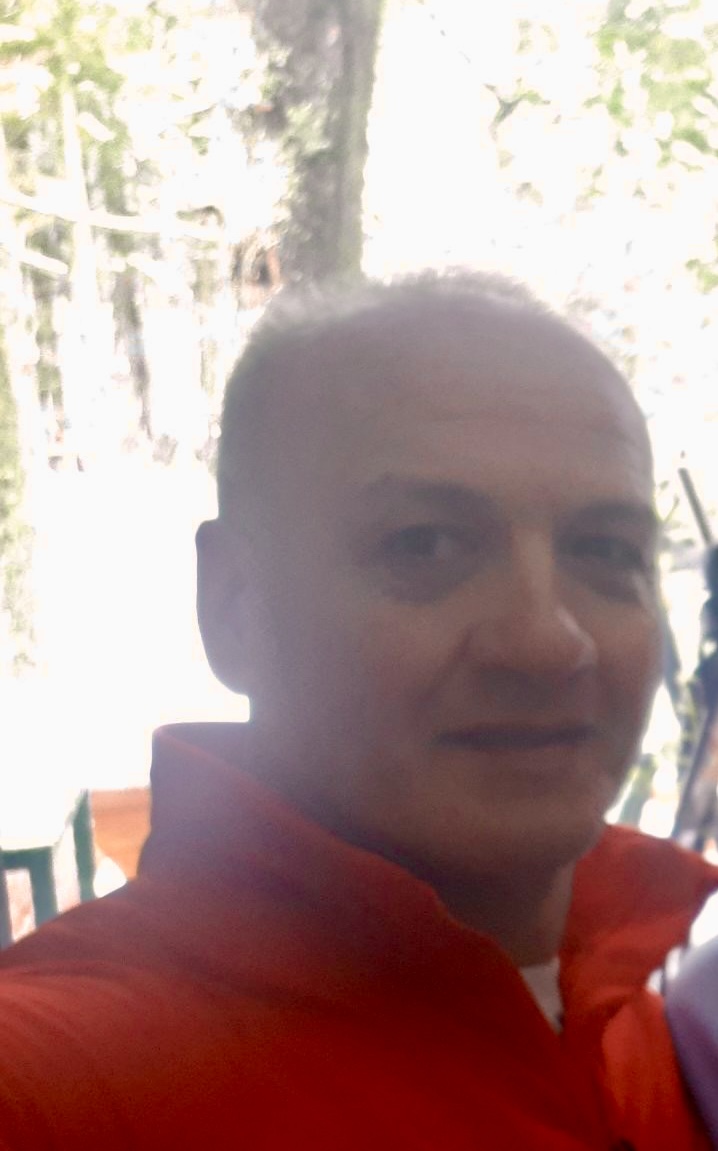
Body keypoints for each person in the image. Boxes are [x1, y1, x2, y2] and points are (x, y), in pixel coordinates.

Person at [0, 270, 717, 1150]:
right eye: (425, 544)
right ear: (235, 608)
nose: (547, 640)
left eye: (606, 550)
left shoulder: (665, 1020)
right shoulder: (63, 1083)